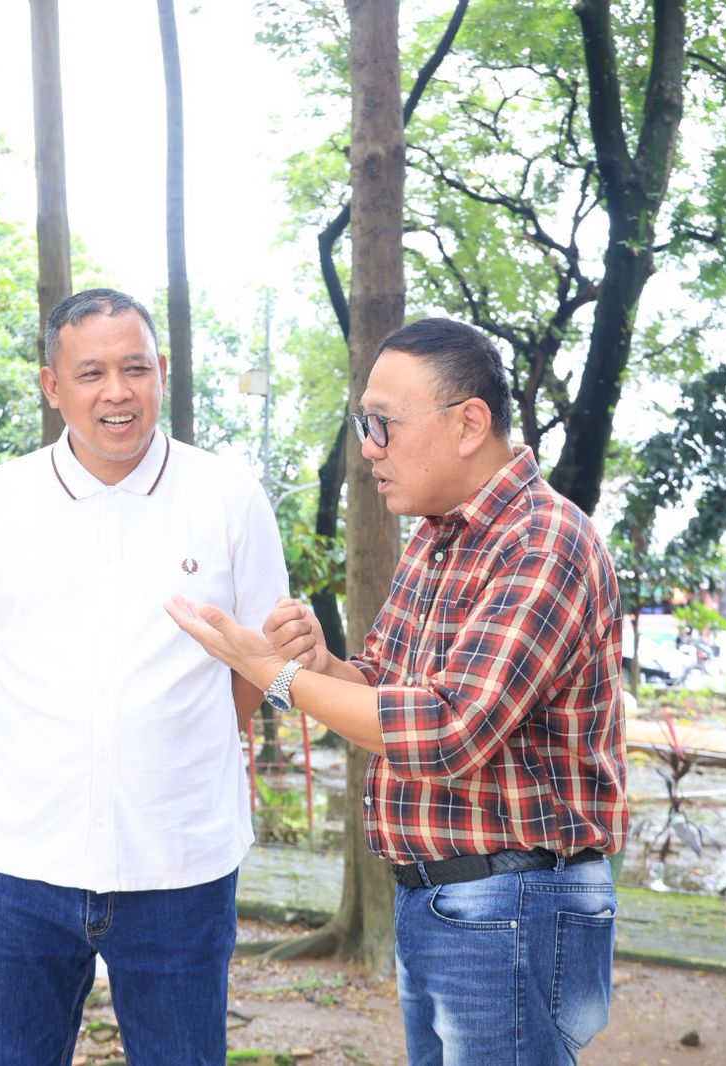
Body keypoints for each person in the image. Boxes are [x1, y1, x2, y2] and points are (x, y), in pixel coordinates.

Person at [166, 316, 628, 1065]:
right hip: (444, 898)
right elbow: (380, 685)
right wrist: (315, 661)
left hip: (512, 901)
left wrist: (275, 677)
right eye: (364, 425)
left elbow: (447, 731)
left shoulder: (543, 542)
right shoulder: (440, 537)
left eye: (383, 424)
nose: (369, 447)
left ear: (469, 423)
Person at [0, 288, 288, 1066]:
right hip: (21, 862)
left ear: (162, 370)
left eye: (134, 368)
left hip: (180, 860)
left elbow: (260, 661)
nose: (116, 392)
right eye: (90, 372)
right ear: (51, 385)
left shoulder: (229, 498)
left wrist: (176, 738)